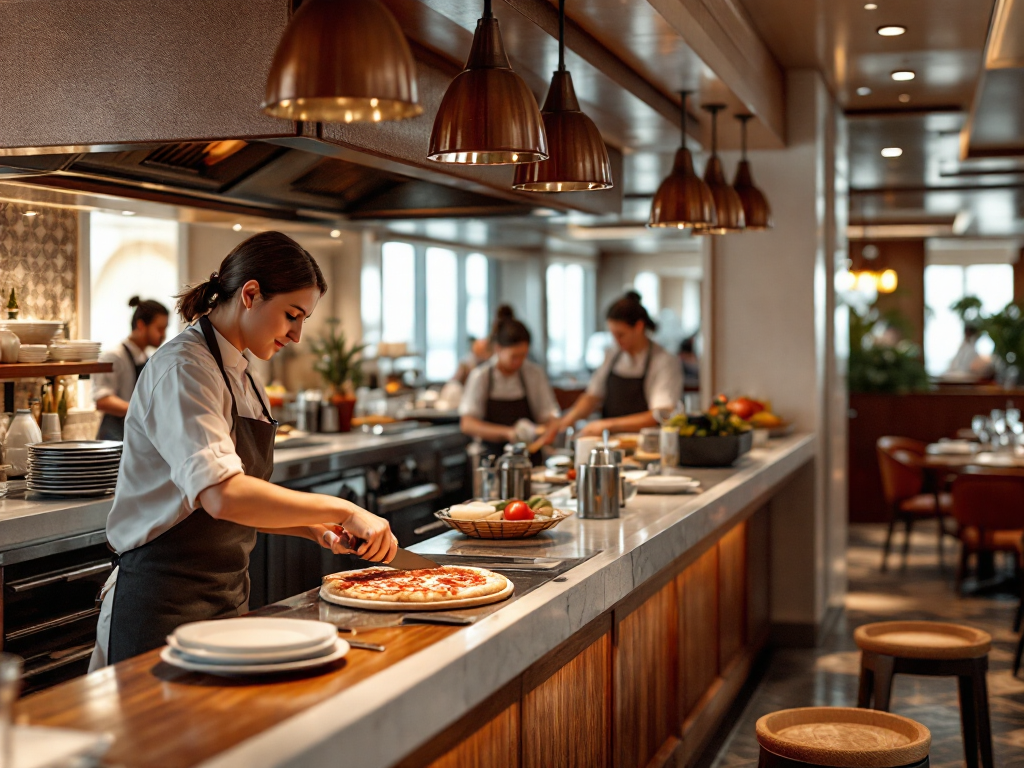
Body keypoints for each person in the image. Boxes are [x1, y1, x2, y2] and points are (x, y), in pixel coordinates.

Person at [90, 232, 396, 669]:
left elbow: (241, 503)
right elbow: (222, 495)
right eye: (292, 315)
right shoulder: (184, 369)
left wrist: (313, 526)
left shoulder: (246, 378)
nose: (296, 334)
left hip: (225, 601)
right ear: (250, 294)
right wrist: (343, 508)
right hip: (159, 604)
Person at [556, 291, 682, 437]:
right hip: (609, 442)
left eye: (621, 334)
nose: (616, 340)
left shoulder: (664, 361)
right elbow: (592, 396)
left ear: (639, 327)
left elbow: (660, 414)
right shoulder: (613, 354)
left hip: (647, 444)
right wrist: (567, 420)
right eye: (613, 334)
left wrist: (607, 425)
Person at [459, 306, 560, 462]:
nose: (518, 362)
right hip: (491, 460)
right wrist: (508, 433)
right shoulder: (481, 376)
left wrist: (550, 430)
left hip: (528, 459)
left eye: (523, 355)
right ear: (498, 349)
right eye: (514, 356)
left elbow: (549, 416)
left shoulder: (534, 373)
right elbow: (467, 424)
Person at [93, 297, 170, 441]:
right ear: (141, 325)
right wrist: (144, 411)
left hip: (136, 437)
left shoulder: (146, 358)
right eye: (159, 329)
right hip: (114, 438)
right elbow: (102, 400)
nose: (163, 335)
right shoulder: (113, 357)